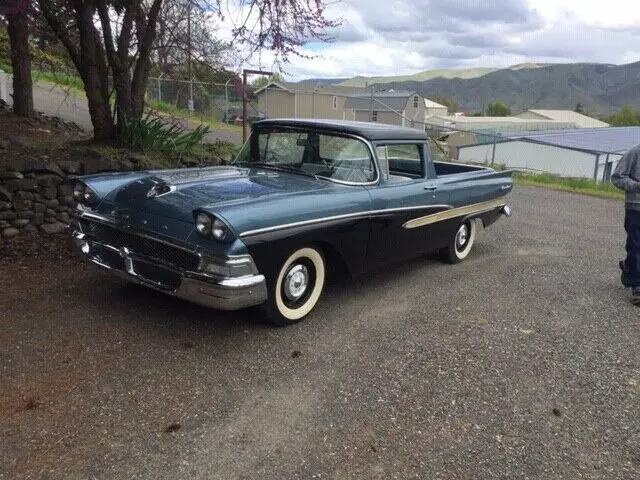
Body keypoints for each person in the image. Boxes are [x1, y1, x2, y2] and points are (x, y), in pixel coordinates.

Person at [611, 143, 640, 306]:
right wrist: (636, 186)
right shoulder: (634, 153)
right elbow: (617, 177)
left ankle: (629, 266)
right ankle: (637, 288)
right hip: (635, 208)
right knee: (636, 246)